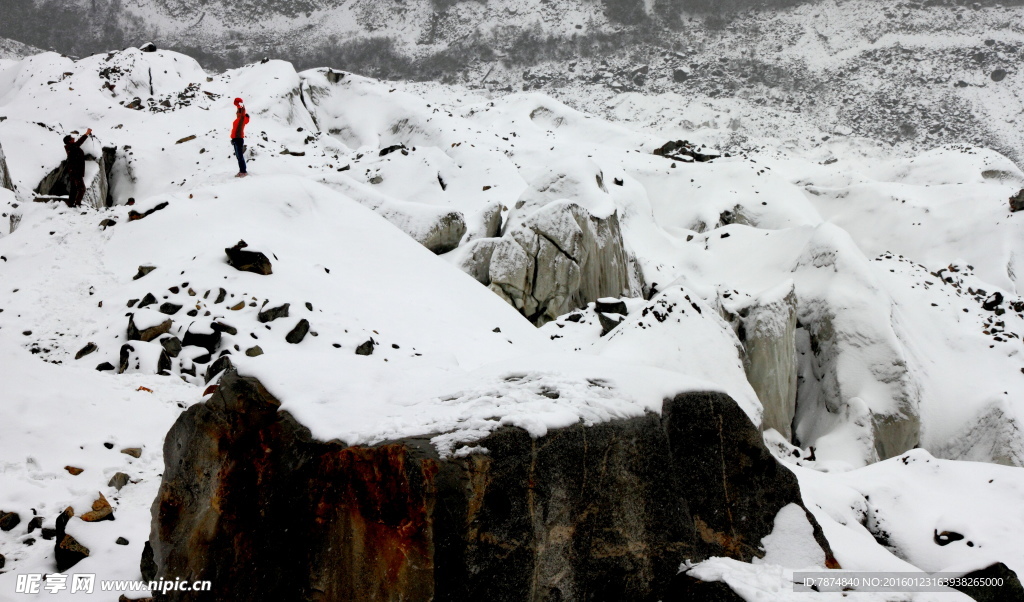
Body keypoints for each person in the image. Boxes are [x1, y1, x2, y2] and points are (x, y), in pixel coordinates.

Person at [63, 128, 91, 207]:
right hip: (76, 171)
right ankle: (77, 203)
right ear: (69, 141)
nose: (74, 139)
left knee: (74, 188)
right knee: (81, 188)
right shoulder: (72, 147)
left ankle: (71, 203)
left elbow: (78, 143)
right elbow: (79, 142)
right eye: (72, 138)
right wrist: (86, 133)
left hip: (74, 171)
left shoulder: (71, 147)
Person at [231, 98, 250, 177]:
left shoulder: (241, 118)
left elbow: (242, 109)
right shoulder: (238, 119)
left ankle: (243, 171)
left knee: (240, 156)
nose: (236, 112)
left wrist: (239, 103)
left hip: (238, 139)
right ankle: (242, 171)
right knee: (238, 157)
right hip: (236, 139)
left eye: (237, 112)